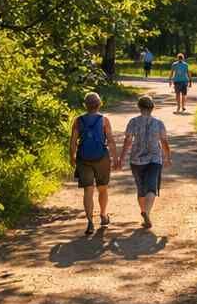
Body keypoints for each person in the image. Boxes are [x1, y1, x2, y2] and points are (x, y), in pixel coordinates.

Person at [117, 95, 171, 229]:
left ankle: (144, 213)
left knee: (141, 189)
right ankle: (146, 212)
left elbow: (128, 141)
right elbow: (164, 141)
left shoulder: (133, 122)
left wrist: (121, 158)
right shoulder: (159, 123)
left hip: (136, 160)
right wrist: (167, 157)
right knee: (152, 188)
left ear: (139, 107)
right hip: (154, 159)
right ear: (152, 108)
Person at [69, 91, 117, 236]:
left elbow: (73, 142)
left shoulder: (78, 120)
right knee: (103, 188)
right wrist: (115, 158)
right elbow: (110, 140)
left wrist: (72, 157)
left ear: (85, 105)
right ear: (99, 104)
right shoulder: (104, 120)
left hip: (83, 158)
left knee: (88, 191)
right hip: (101, 158)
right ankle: (103, 215)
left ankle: (90, 221)